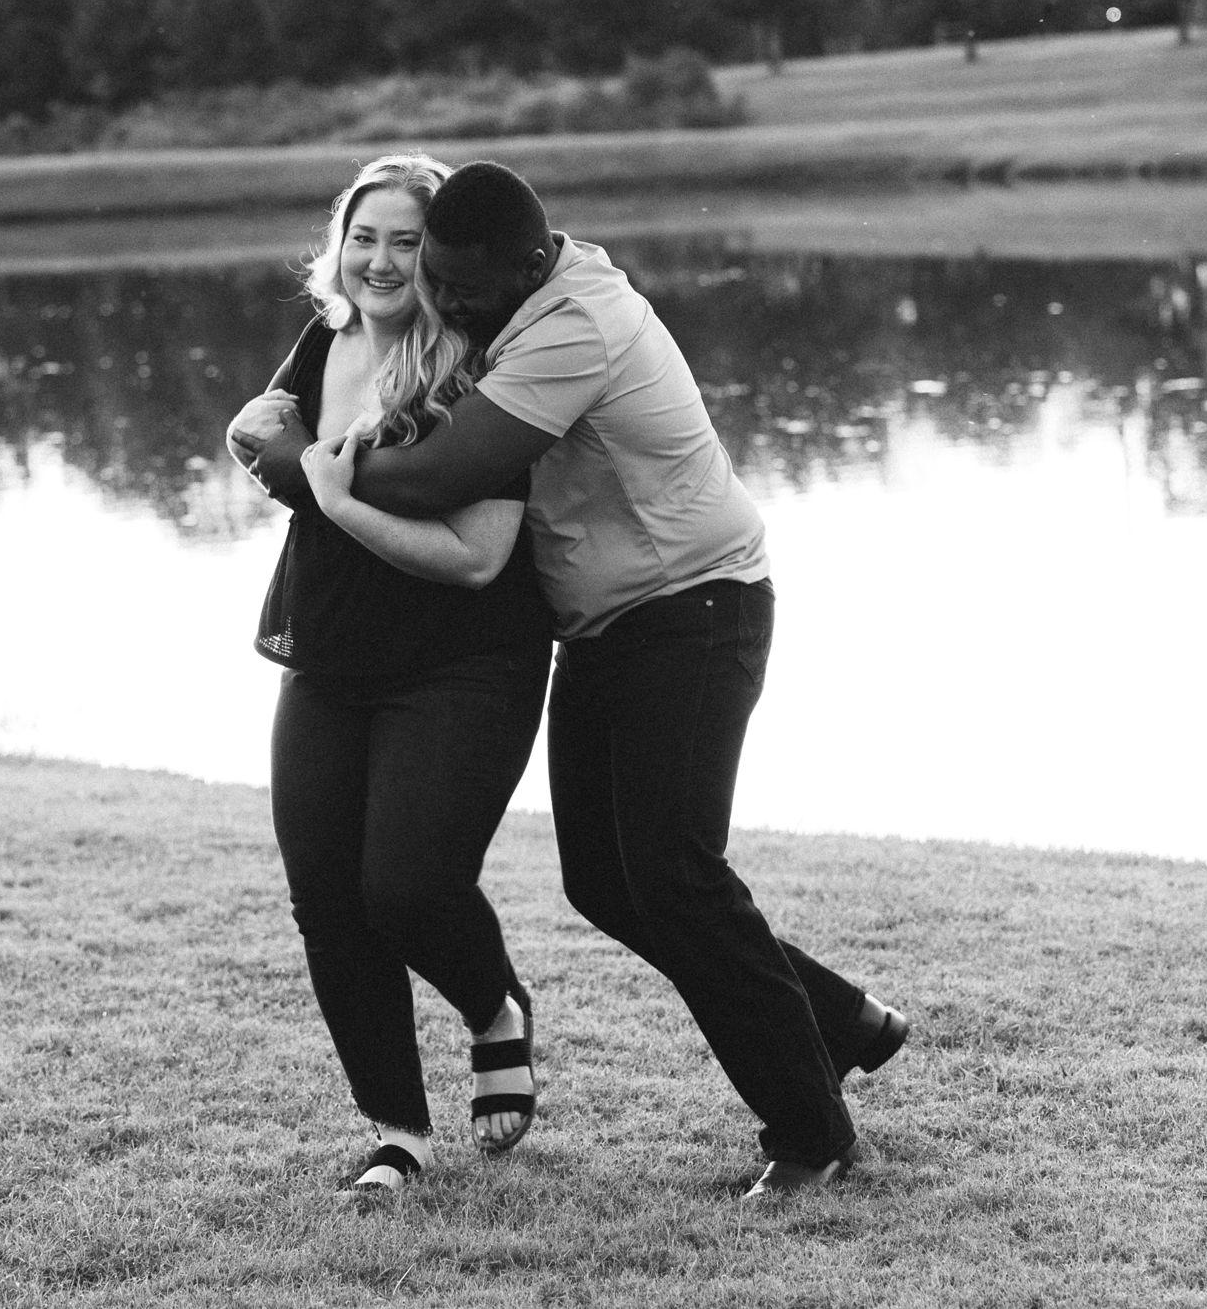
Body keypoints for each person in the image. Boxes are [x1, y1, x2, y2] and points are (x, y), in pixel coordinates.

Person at [239, 160, 907, 1199]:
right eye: (432, 274)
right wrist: (276, 430)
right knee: (604, 882)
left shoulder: (567, 327)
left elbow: (445, 475)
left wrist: (303, 468)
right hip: (604, 624)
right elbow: (286, 400)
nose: (445, 299)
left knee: (673, 875)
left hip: (692, 607)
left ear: (522, 263)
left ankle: (811, 1134)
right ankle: (843, 1019)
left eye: (450, 277)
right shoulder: (500, 304)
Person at [226, 153, 555, 1198]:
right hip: (329, 657)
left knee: (406, 887)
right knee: (325, 899)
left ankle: (495, 1010)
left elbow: (477, 556)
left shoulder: (481, 370)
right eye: (362, 237)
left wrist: (330, 493)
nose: (379, 261)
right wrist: (262, 440)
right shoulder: (322, 341)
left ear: (443, 258)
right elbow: (265, 432)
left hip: (464, 662)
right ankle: (396, 1133)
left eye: (406, 242)